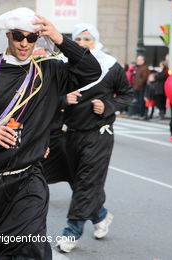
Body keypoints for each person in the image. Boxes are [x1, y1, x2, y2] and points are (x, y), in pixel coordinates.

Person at [0, 8, 101, 260]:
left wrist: (60, 39)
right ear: (8, 36)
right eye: (18, 36)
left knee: (31, 248)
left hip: (29, 180)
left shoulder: (50, 72)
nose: (25, 43)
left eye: (32, 37)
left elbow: (91, 70)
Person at [48, 23, 133, 253]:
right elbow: (47, 98)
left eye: (88, 39)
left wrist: (107, 105)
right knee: (77, 181)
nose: (83, 44)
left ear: (96, 41)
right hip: (68, 133)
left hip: (98, 135)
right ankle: (101, 215)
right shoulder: (63, 66)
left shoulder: (110, 65)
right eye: (79, 40)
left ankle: (71, 232)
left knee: (86, 183)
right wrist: (64, 100)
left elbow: (127, 94)